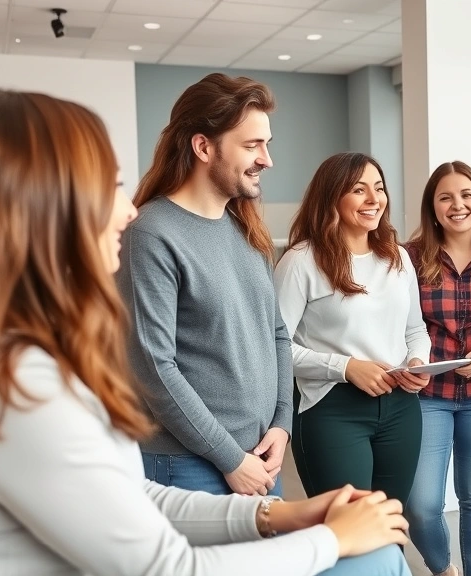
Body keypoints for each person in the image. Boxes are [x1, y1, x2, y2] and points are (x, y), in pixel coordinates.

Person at [0, 89, 415, 576]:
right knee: (378, 558)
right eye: (109, 187)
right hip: (195, 465)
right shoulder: (17, 390)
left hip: (250, 466)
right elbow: (168, 564)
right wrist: (330, 539)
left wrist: (279, 512)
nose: (129, 209)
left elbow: (128, 493)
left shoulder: (16, 365)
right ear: (43, 209)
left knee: (377, 555)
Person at [116, 73, 290, 496]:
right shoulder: (152, 234)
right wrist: (229, 458)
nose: (267, 159)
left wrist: (282, 424)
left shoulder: (247, 230)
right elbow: (153, 368)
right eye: (252, 146)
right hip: (191, 465)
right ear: (203, 147)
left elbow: (278, 335)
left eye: (266, 144)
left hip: (260, 456)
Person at [274, 152, 432, 504]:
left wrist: (418, 362)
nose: (374, 200)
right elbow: (274, 347)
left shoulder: (398, 256)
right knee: (348, 529)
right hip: (332, 409)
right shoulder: (300, 261)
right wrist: (346, 367)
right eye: (360, 190)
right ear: (332, 197)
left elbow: (415, 329)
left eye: (379, 188)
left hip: (401, 406)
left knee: (390, 525)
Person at [403, 161, 471, 576]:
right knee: (422, 503)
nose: (457, 204)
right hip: (429, 396)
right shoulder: (408, 257)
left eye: (466, 195)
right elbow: (398, 321)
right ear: (432, 206)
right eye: (445, 197)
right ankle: (444, 570)